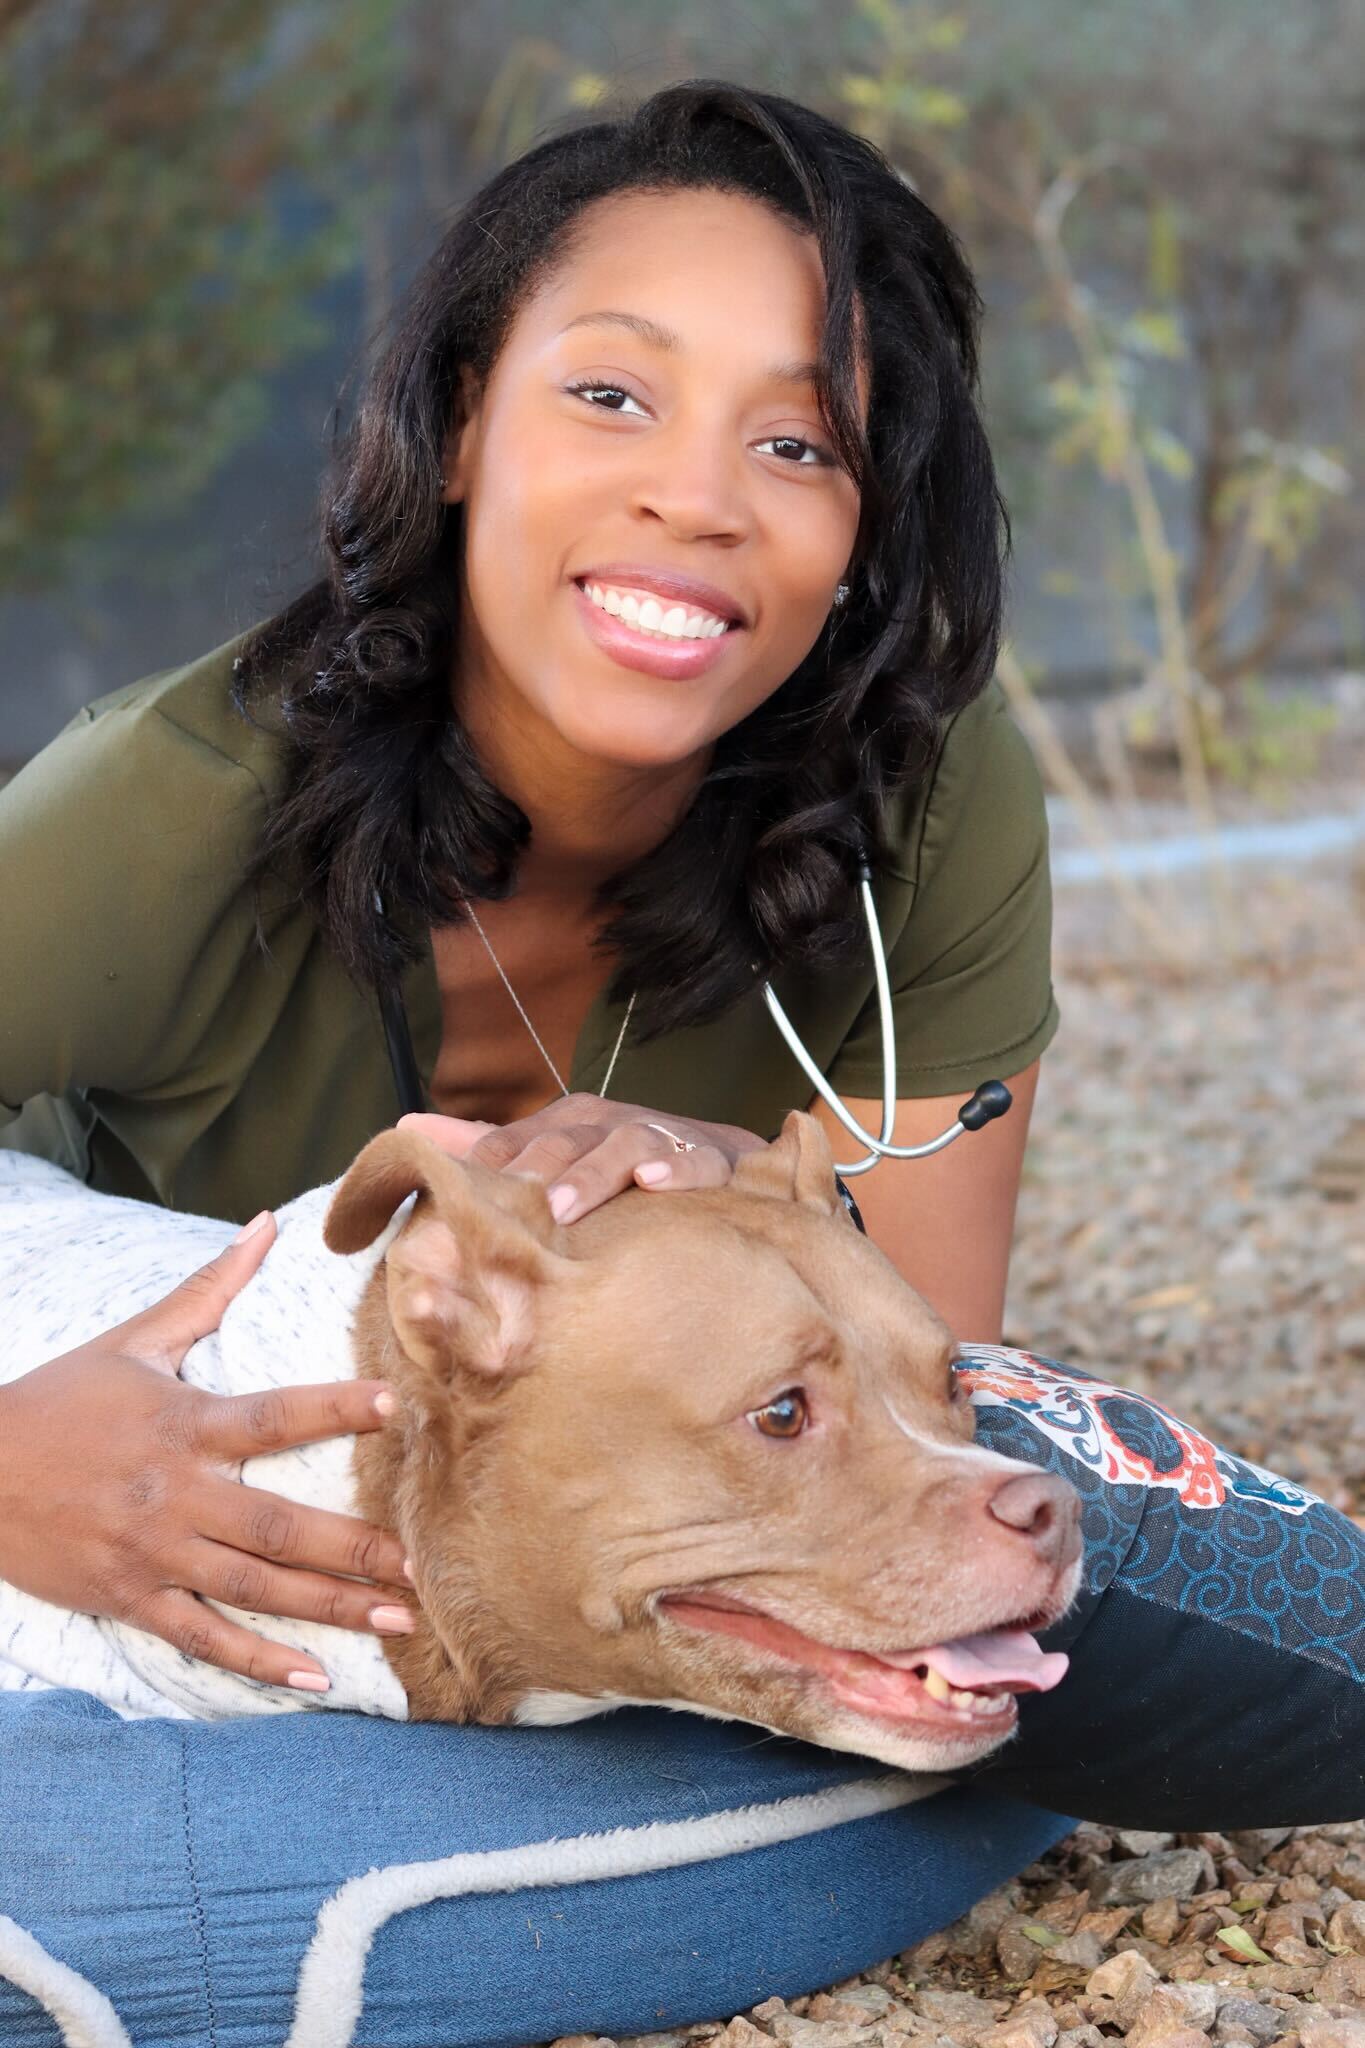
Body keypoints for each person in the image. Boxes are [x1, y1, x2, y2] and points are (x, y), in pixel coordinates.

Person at [1, 76, 1361, 2048]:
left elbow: (920, 1382)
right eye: (611, 396)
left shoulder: (919, 806)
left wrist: (730, 1171)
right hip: (133, 1395)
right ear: (459, 419)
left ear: (861, 527)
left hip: (611, 1521)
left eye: (796, 439)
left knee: (1039, 1557)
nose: (693, 496)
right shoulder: (172, 810)